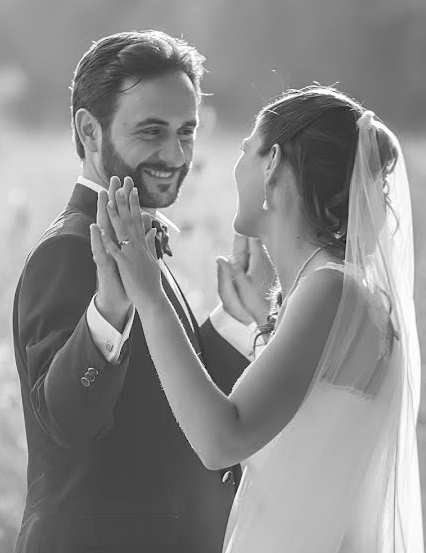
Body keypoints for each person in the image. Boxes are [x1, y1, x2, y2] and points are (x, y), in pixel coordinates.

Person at [95, 85, 423, 552]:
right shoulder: (337, 293)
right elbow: (316, 422)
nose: (236, 165)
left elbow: (221, 440)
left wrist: (148, 294)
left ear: (271, 164)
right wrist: (262, 329)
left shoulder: (331, 291)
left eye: (246, 149)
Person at [11, 30, 271, 552]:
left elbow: (166, 406)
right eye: (152, 131)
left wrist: (234, 318)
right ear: (89, 130)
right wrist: (110, 307)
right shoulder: (66, 252)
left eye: (186, 132)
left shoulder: (137, 240)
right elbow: (64, 423)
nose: (175, 154)